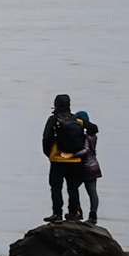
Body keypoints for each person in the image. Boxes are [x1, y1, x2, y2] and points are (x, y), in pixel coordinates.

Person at [40, 94, 96, 222]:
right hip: (75, 160)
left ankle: (57, 214)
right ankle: (73, 214)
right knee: (73, 188)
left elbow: (46, 139)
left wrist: (49, 154)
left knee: (56, 187)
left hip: (57, 160)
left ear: (56, 104)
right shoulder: (77, 120)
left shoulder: (53, 119)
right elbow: (94, 128)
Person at [75, 109, 102, 223]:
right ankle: (93, 215)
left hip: (84, 167)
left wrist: (70, 155)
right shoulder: (93, 134)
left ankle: (77, 212)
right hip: (93, 166)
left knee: (74, 188)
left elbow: (84, 150)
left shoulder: (84, 136)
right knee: (92, 192)